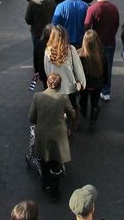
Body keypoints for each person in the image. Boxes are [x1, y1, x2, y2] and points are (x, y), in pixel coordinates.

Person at [29, 73, 76, 201]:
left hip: (42, 136)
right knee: (56, 164)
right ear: (60, 85)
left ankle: (44, 184)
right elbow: (72, 113)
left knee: (44, 161)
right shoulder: (63, 97)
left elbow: (31, 118)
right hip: (57, 137)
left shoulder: (37, 96)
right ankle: (54, 193)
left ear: (47, 83)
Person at [84, 0, 120, 102]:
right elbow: (116, 24)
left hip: (96, 43)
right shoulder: (114, 8)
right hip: (110, 41)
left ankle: (97, 88)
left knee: (96, 65)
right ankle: (106, 91)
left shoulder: (92, 9)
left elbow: (87, 25)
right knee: (108, 66)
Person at [44, 26, 87, 113]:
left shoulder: (48, 51)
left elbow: (46, 69)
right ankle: (72, 125)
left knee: (57, 111)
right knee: (71, 108)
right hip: (69, 87)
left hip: (55, 87)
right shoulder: (71, 49)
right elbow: (78, 68)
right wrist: (82, 82)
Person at [78, 30, 105, 132]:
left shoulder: (79, 54)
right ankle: (92, 123)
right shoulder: (101, 53)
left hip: (84, 84)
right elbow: (105, 69)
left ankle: (84, 112)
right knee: (95, 103)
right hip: (97, 83)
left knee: (83, 99)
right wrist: (105, 81)